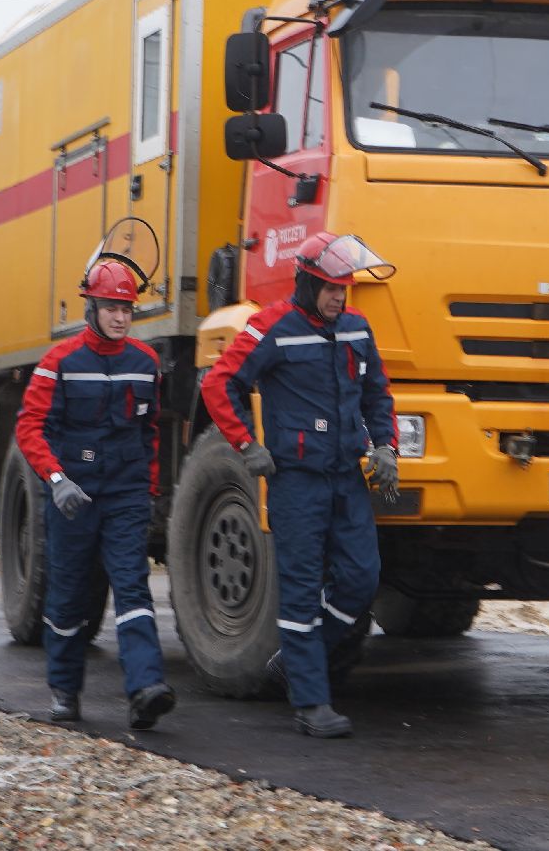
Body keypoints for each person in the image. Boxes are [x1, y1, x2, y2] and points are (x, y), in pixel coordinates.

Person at [202, 231, 399, 739]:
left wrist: (386, 447)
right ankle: (312, 704)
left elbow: (378, 393)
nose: (340, 297)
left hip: (347, 478)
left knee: (361, 579)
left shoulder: (357, 328)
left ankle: (295, 657)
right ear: (308, 283)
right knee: (301, 592)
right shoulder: (270, 327)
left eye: (345, 289)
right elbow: (219, 383)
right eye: (331, 288)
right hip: (296, 484)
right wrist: (247, 445)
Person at [15, 258, 176, 731]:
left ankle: (145, 690)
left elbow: (149, 433)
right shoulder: (58, 362)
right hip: (74, 498)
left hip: (124, 496)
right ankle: (65, 691)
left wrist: (147, 493)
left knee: (132, 587)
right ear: (92, 308)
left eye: (126, 308)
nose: (120, 316)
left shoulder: (146, 365)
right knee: (68, 595)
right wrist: (57, 480)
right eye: (111, 307)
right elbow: (30, 427)